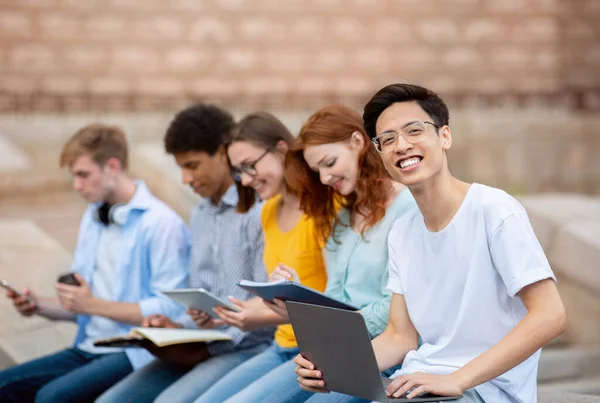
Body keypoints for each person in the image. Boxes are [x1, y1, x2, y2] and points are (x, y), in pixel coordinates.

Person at [295, 83, 567, 403]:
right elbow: (399, 336)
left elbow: (551, 315)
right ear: (380, 154)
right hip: (418, 381)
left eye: (414, 130)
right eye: (388, 140)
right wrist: (331, 367)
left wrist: (457, 379)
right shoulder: (402, 231)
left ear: (445, 137)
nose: (401, 145)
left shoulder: (494, 210)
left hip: (484, 389)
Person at [96, 104, 274, 403]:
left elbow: (267, 311)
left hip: (248, 348)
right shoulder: (201, 215)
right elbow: (203, 300)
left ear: (223, 153)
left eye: (192, 165)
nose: (185, 179)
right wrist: (177, 328)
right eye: (181, 167)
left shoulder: (258, 211)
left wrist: (201, 348)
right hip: (200, 344)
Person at [0, 124, 190, 403]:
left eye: (83, 175)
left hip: (135, 351)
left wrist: (93, 305)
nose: (76, 185)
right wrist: (40, 306)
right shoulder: (93, 216)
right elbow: (81, 307)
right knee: (5, 385)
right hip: (88, 346)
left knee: (52, 398)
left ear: (112, 167)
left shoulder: (162, 223)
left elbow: (172, 308)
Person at [251, 104, 418, 403]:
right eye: (318, 171)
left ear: (358, 142)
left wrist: (336, 329)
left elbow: (394, 310)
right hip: (334, 349)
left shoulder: (406, 209)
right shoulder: (341, 217)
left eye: (330, 163)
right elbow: (336, 296)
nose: (325, 177)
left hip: (387, 355)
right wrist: (298, 296)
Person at [193, 112, 328, 403]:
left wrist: (252, 319)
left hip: (320, 351)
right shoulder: (267, 211)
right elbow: (277, 297)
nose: (246, 179)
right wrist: (223, 315)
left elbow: (336, 297)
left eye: (250, 166)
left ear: (281, 149)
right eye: (239, 172)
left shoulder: (325, 206)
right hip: (283, 345)